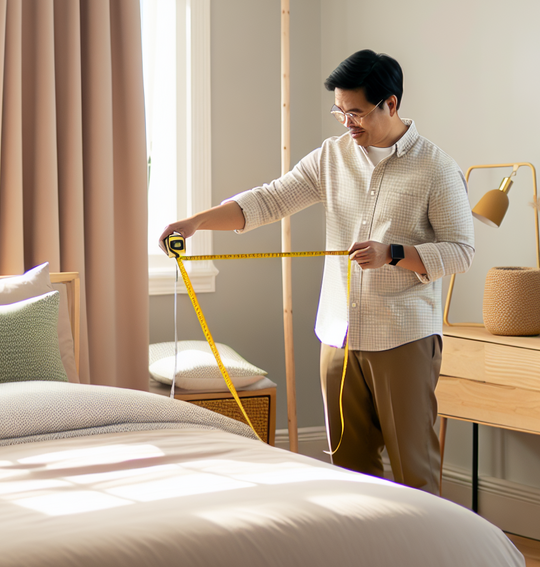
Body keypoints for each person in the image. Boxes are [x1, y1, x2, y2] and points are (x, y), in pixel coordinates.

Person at [157, 49, 474, 494]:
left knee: (414, 470)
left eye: (357, 112)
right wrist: (197, 222)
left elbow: (461, 252)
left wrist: (394, 253)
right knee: (348, 470)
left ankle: (428, 561)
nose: (348, 122)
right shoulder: (332, 157)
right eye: (340, 112)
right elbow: (269, 199)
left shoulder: (437, 169)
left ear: (392, 104)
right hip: (338, 337)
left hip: (402, 337)